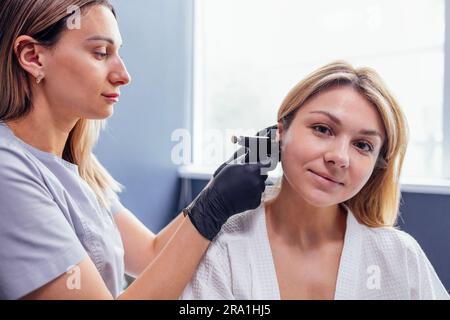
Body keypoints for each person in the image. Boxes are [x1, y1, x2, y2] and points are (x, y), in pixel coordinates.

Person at [0, 0, 270, 300]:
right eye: (101, 53)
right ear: (33, 57)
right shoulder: (7, 171)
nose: (123, 75)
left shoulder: (77, 167)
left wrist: (215, 190)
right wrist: (211, 209)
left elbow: (150, 254)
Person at [180, 61, 450, 300]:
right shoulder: (225, 249)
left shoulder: (400, 257)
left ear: (378, 165)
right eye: (322, 129)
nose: (339, 157)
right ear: (281, 131)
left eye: (363, 145)